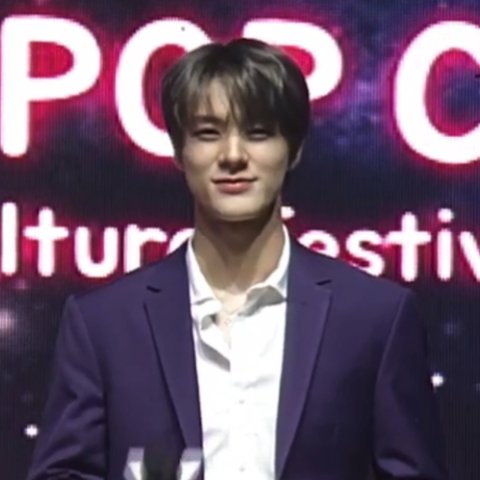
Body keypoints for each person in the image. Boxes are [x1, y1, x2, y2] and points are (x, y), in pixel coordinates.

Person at [27, 38, 447, 480]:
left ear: (294, 149)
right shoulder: (103, 324)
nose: (232, 156)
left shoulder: (376, 318)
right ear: (179, 151)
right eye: (208, 134)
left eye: (258, 133)